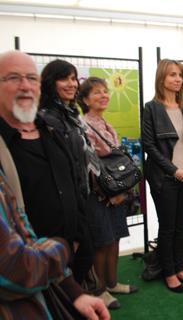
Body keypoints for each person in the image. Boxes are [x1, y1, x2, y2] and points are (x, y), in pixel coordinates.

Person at [0, 50, 109, 320]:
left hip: (66, 261)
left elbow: (74, 181)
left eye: (31, 78)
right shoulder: (5, 144)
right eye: (13, 78)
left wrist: (78, 234)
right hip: (29, 274)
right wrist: (61, 247)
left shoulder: (52, 128)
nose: (25, 85)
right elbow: (12, 262)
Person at [36, 59, 99, 284]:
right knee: (72, 260)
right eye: (65, 78)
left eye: (74, 78)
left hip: (81, 196)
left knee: (83, 256)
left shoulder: (71, 115)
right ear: (51, 82)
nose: (72, 84)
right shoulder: (46, 119)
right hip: (63, 205)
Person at [78, 77, 138, 307]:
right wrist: (108, 194)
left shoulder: (105, 123)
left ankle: (113, 283)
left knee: (114, 239)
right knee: (101, 242)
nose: (103, 95)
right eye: (96, 93)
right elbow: (90, 165)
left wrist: (120, 192)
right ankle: (99, 289)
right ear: (84, 99)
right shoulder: (85, 125)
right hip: (99, 194)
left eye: (105, 91)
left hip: (116, 191)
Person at [142, 60, 183, 292]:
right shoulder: (151, 108)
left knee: (180, 225)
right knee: (167, 227)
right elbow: (149, 145)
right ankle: (168, 272)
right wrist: (173, 171)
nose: (178, 79)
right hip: (164, 178)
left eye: (180, 75)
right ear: (161, 78)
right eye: (172, 74)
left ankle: (179, 266)